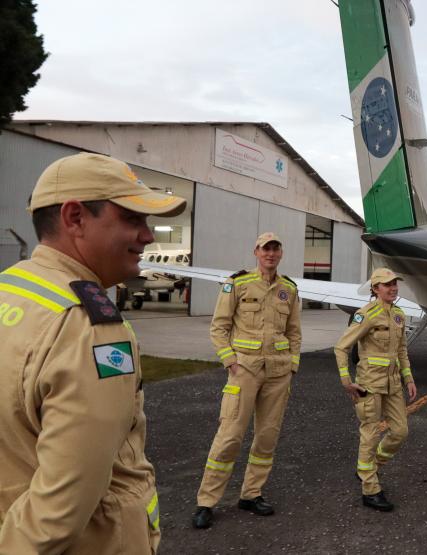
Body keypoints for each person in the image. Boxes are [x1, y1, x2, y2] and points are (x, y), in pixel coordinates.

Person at [0, 152, 186, 552]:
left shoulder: (11, 290)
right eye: (132, 219)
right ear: (75, 218)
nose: (149, 235)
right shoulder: (89, 329)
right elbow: (58, 512)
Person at [193, 232, 302, 528]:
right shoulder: (238, 284)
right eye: (265, 248)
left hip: (278, 373)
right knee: (229, 435)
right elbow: (219, 327)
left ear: (281, 253)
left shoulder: (289, 289)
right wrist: (230, 361)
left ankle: (251, 494)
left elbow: (293, 331)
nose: (270, 253)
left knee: (267, 437)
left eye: (275, 248)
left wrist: (292, 364)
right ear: (256, 251)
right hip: (245, 371)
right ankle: (207, 501)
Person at [333, 268, 417, 511]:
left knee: (400, 432)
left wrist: (408, 377)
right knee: (369, 434)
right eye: (386, 284)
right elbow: (341, 347)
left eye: (394, 284)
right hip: (369, 384)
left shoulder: (399, 315)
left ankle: (369, 467)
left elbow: (402, 350)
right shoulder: (366, 314)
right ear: (375, 289)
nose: (392, 288)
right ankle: (370, 489)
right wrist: (345, 380)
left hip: (392, 384)